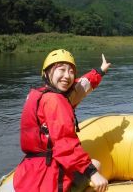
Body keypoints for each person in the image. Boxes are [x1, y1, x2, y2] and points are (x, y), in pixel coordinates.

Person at [14, 49, 111, 192]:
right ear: (47, 73)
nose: (67, 75)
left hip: (29, 174)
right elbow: (65, 143)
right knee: (95, 165)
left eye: (71, 71)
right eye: (61, 70)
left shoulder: (40, 95)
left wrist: (100, 71)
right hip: (49, 181)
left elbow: (80, 87)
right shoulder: (55, 101)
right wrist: (92, 173)